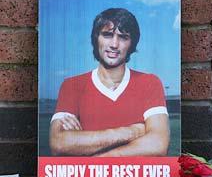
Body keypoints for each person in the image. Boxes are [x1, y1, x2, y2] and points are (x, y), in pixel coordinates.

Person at [49, 8, 170, 157]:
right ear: (96, 38)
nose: (114, 44)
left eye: (123, 37)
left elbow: (158, 145)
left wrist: (95, 158)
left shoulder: (149, 83)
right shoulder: (72, 86)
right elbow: (59, 143)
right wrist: (132, 132)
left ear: (132, 44)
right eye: (107, 35)